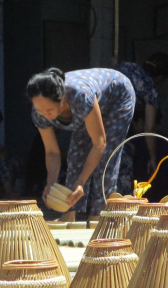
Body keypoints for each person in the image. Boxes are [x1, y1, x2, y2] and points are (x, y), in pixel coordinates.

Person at [27, 67, 135, 221]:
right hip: (89, 106)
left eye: (49, 110)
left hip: (116, 97)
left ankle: (98, 216)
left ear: (62, 98)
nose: (45, 115)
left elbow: (99, 143)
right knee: (76, 156)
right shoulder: (39, 113)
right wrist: (51, 184)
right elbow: (52, 152)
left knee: (105, 159)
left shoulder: (80, 96)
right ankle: (69, 213)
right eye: (40, 110)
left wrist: (81, 182)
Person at [112, 52, 168, 182]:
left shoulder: (126, 66)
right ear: (161, 78)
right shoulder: (149, 90)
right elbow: (150, 128)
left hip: (89, 114)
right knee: (122, 171)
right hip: (112, 131)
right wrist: (152, 158)